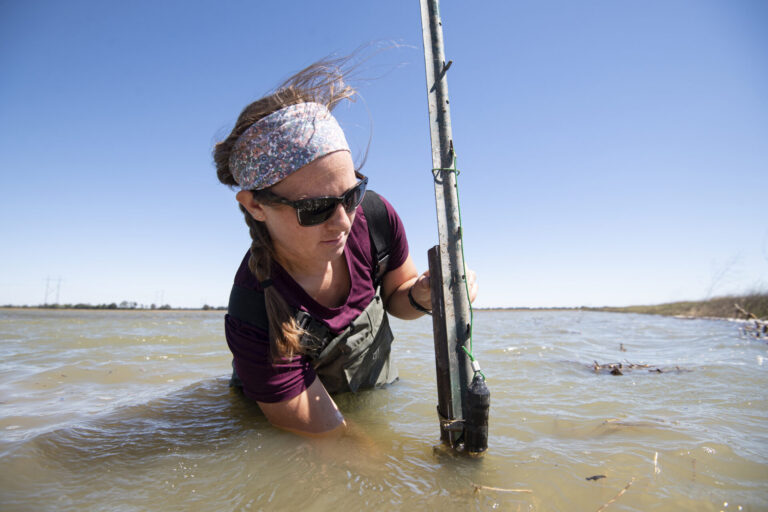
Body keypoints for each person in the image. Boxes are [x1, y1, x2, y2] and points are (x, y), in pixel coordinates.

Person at [213, 57, 477, 438]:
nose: (343, 222)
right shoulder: (254, 312)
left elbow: (396, 298)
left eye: (351, 194)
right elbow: (332, 438)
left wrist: (424, 296)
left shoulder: (376, 218)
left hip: (371, 392)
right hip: (288, 414)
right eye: (314, 208)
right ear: (256, 206)